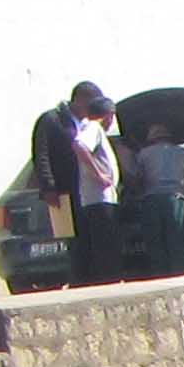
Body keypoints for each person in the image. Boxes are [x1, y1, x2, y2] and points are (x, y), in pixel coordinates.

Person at [29, 80, 109, 245]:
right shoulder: (52, 120)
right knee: (74, 243)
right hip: (64, 191)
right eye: (93, 102)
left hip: (88, 193)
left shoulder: (89, 125)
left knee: (93, 242)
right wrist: (49, 186)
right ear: (80, 99)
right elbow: (41, 154)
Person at [125, 117, 184, 277]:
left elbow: (136, 179)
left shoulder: (143, 154)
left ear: (151, 139)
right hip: (177, 200)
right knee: (180, 244)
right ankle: (180, 276)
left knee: (155, 245)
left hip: (151, 201)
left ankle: (160, 278)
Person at [67, 93, 126, 286]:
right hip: (100, 199)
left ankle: (108, 280)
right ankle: (110, 282)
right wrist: (99, 173)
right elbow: (79, 145)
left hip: (98, 198)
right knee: (107, 245)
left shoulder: (90, 128)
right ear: (108, 115)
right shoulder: (94, 128)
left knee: (103, 244)